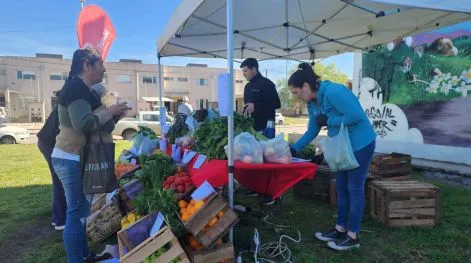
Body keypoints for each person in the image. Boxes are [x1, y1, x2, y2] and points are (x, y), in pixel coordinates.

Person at [51, 48, 128, 263]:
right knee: (76, 213)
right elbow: (83, 124)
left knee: (81, 212)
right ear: (87, 64)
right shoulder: (76, 88)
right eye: (100, 64)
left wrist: (116, 115)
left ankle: (85, 255)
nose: (104, 68)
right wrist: (109, 111)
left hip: (78, 158)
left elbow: (101, 126)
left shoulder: (85, 89)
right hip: (70, 158)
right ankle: (76, 260)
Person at [288, 62, 376, 251]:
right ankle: (340, 228)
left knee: (354, 188)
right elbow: (313, 129)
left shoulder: (334, 92)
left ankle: (353, 235)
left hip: (360, 144)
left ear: (305, 86)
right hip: (342, 146)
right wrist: (295, 149)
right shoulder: (313, 103)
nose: (297, 97)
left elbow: (357, 116)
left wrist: (330, 120)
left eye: (296, 92)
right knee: (341, 187)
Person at [37, 90, 67, 231]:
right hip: (50, 144)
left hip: (47, 142)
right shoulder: (71, 101)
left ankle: (58, 218)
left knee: (59, 181)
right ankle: (60, 220)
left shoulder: (67, 99)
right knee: (60, 181)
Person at [241, 58, 281, 135]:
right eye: (243, 71)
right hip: (250, 129)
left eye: (245, 71)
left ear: (254, 69)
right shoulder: (247, 86)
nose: (243, 74)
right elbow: (247, 105)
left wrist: (255, 106)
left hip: (266, 129)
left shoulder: (267, 84)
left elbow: (277, 104)